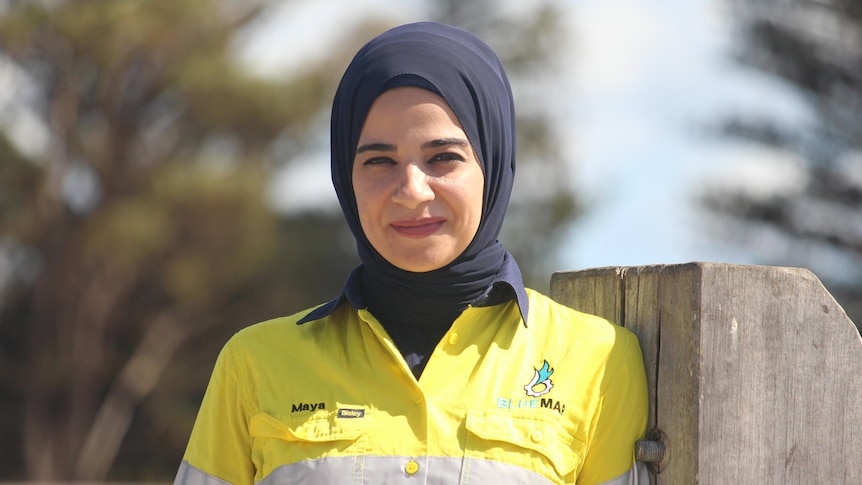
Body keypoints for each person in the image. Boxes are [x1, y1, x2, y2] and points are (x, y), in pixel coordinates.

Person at [173, 21, 648, 485]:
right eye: (380, 161)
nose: (412, 190)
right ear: (345, 175)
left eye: (443, 158)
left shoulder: (600, 361)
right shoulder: (253, 364)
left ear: (494, 163)